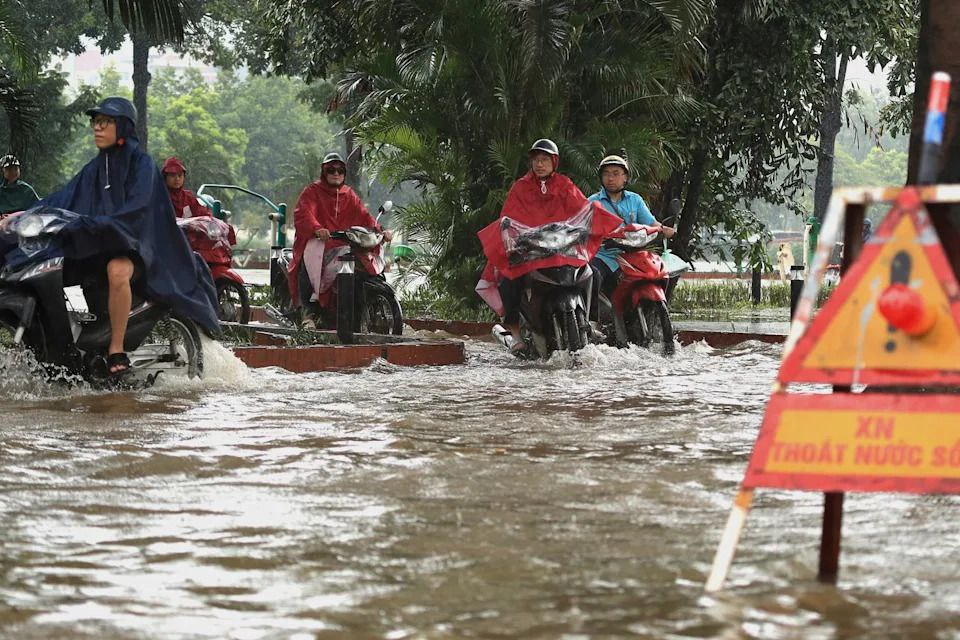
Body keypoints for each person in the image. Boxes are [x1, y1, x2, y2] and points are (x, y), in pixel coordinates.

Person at [33, 97, 220, 376]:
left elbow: (138, 209)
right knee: (58, 267)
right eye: (95, 123)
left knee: (117, 271)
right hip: (104, 241)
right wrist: (21, 215)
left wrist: (104, 224)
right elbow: (63, 198)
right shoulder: (95, 168)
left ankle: (116, 349)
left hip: (140, 246)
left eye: (104, 122)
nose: (97, 128)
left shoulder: (141, 164)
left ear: (121, 126)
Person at [476, 139, 619, 352]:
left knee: (594, 273)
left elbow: (582, 208)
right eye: (536, 160)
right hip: (531, 251)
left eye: (544, 160)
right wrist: (510, 233)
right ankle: (515, 335)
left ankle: (590, 322)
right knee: (508, 281)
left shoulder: (565, 185)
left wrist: (595, 219)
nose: (540, 164)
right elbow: (508, 216)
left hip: (562, 249)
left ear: (554, 162)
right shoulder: (520, 187)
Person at [287, 152, 392, 314]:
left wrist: (381, 231)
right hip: (321, 243)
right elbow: (304, 212)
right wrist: (317, 228)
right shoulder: (313, 191)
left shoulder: (349, 194)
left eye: (340, 170)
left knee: (363, 264)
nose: (336, 174)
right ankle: (308, 312)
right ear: (324, 172)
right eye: (331, 170)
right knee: (309, 262)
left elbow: (365, 217)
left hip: (347, 244)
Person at [588, 154, 675, 298]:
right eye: (606, 174)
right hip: (604, 256)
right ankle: (591, 319)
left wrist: (666, 231)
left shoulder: (635, 200)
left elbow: (652, 224)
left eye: (616, 174)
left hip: (633, 257)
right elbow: (582, 226)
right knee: (593, 276)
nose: (610, 178)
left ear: (625, 177)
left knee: (656, 275)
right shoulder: (593, 201)